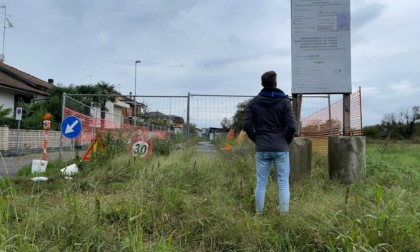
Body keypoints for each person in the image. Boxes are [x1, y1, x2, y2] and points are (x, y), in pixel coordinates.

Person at [243, 70, 296, 215]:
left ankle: (259, 214)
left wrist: (257, 139)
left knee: (261, 183)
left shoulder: (254, 102)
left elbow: (247, 125)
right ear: (275, 83)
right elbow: (292, 126)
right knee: (283, 183)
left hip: (262, 148)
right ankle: (284, 216)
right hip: (280, 147)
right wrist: (286, 141)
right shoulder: (285, 102)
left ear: (262, 84)